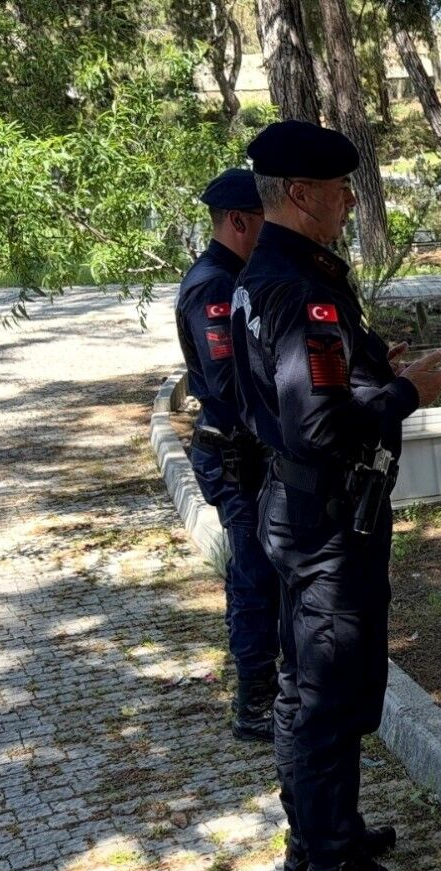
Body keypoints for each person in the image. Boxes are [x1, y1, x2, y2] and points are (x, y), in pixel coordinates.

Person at [230, 120, 441, 871]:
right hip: (325, 520)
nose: (348, 201)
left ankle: (321, 833)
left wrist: (364, 371)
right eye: (336, 190)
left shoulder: (275, 274)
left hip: (299, 508)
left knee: (308, 686)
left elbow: (291, 391)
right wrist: (404, 393)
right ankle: (333, 866)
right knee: (326, 695)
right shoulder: (299, 289)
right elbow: (317, 424)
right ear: (298, 194)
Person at [174, 169, 280, 743]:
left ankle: (275, 689)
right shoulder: (214, 285)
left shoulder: (239, 276)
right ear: (240, 221)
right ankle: (254, 702)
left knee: (269, 571)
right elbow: (226, 380)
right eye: (265, 218)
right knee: (253, 576)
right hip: (235, 455)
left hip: (253, 453)